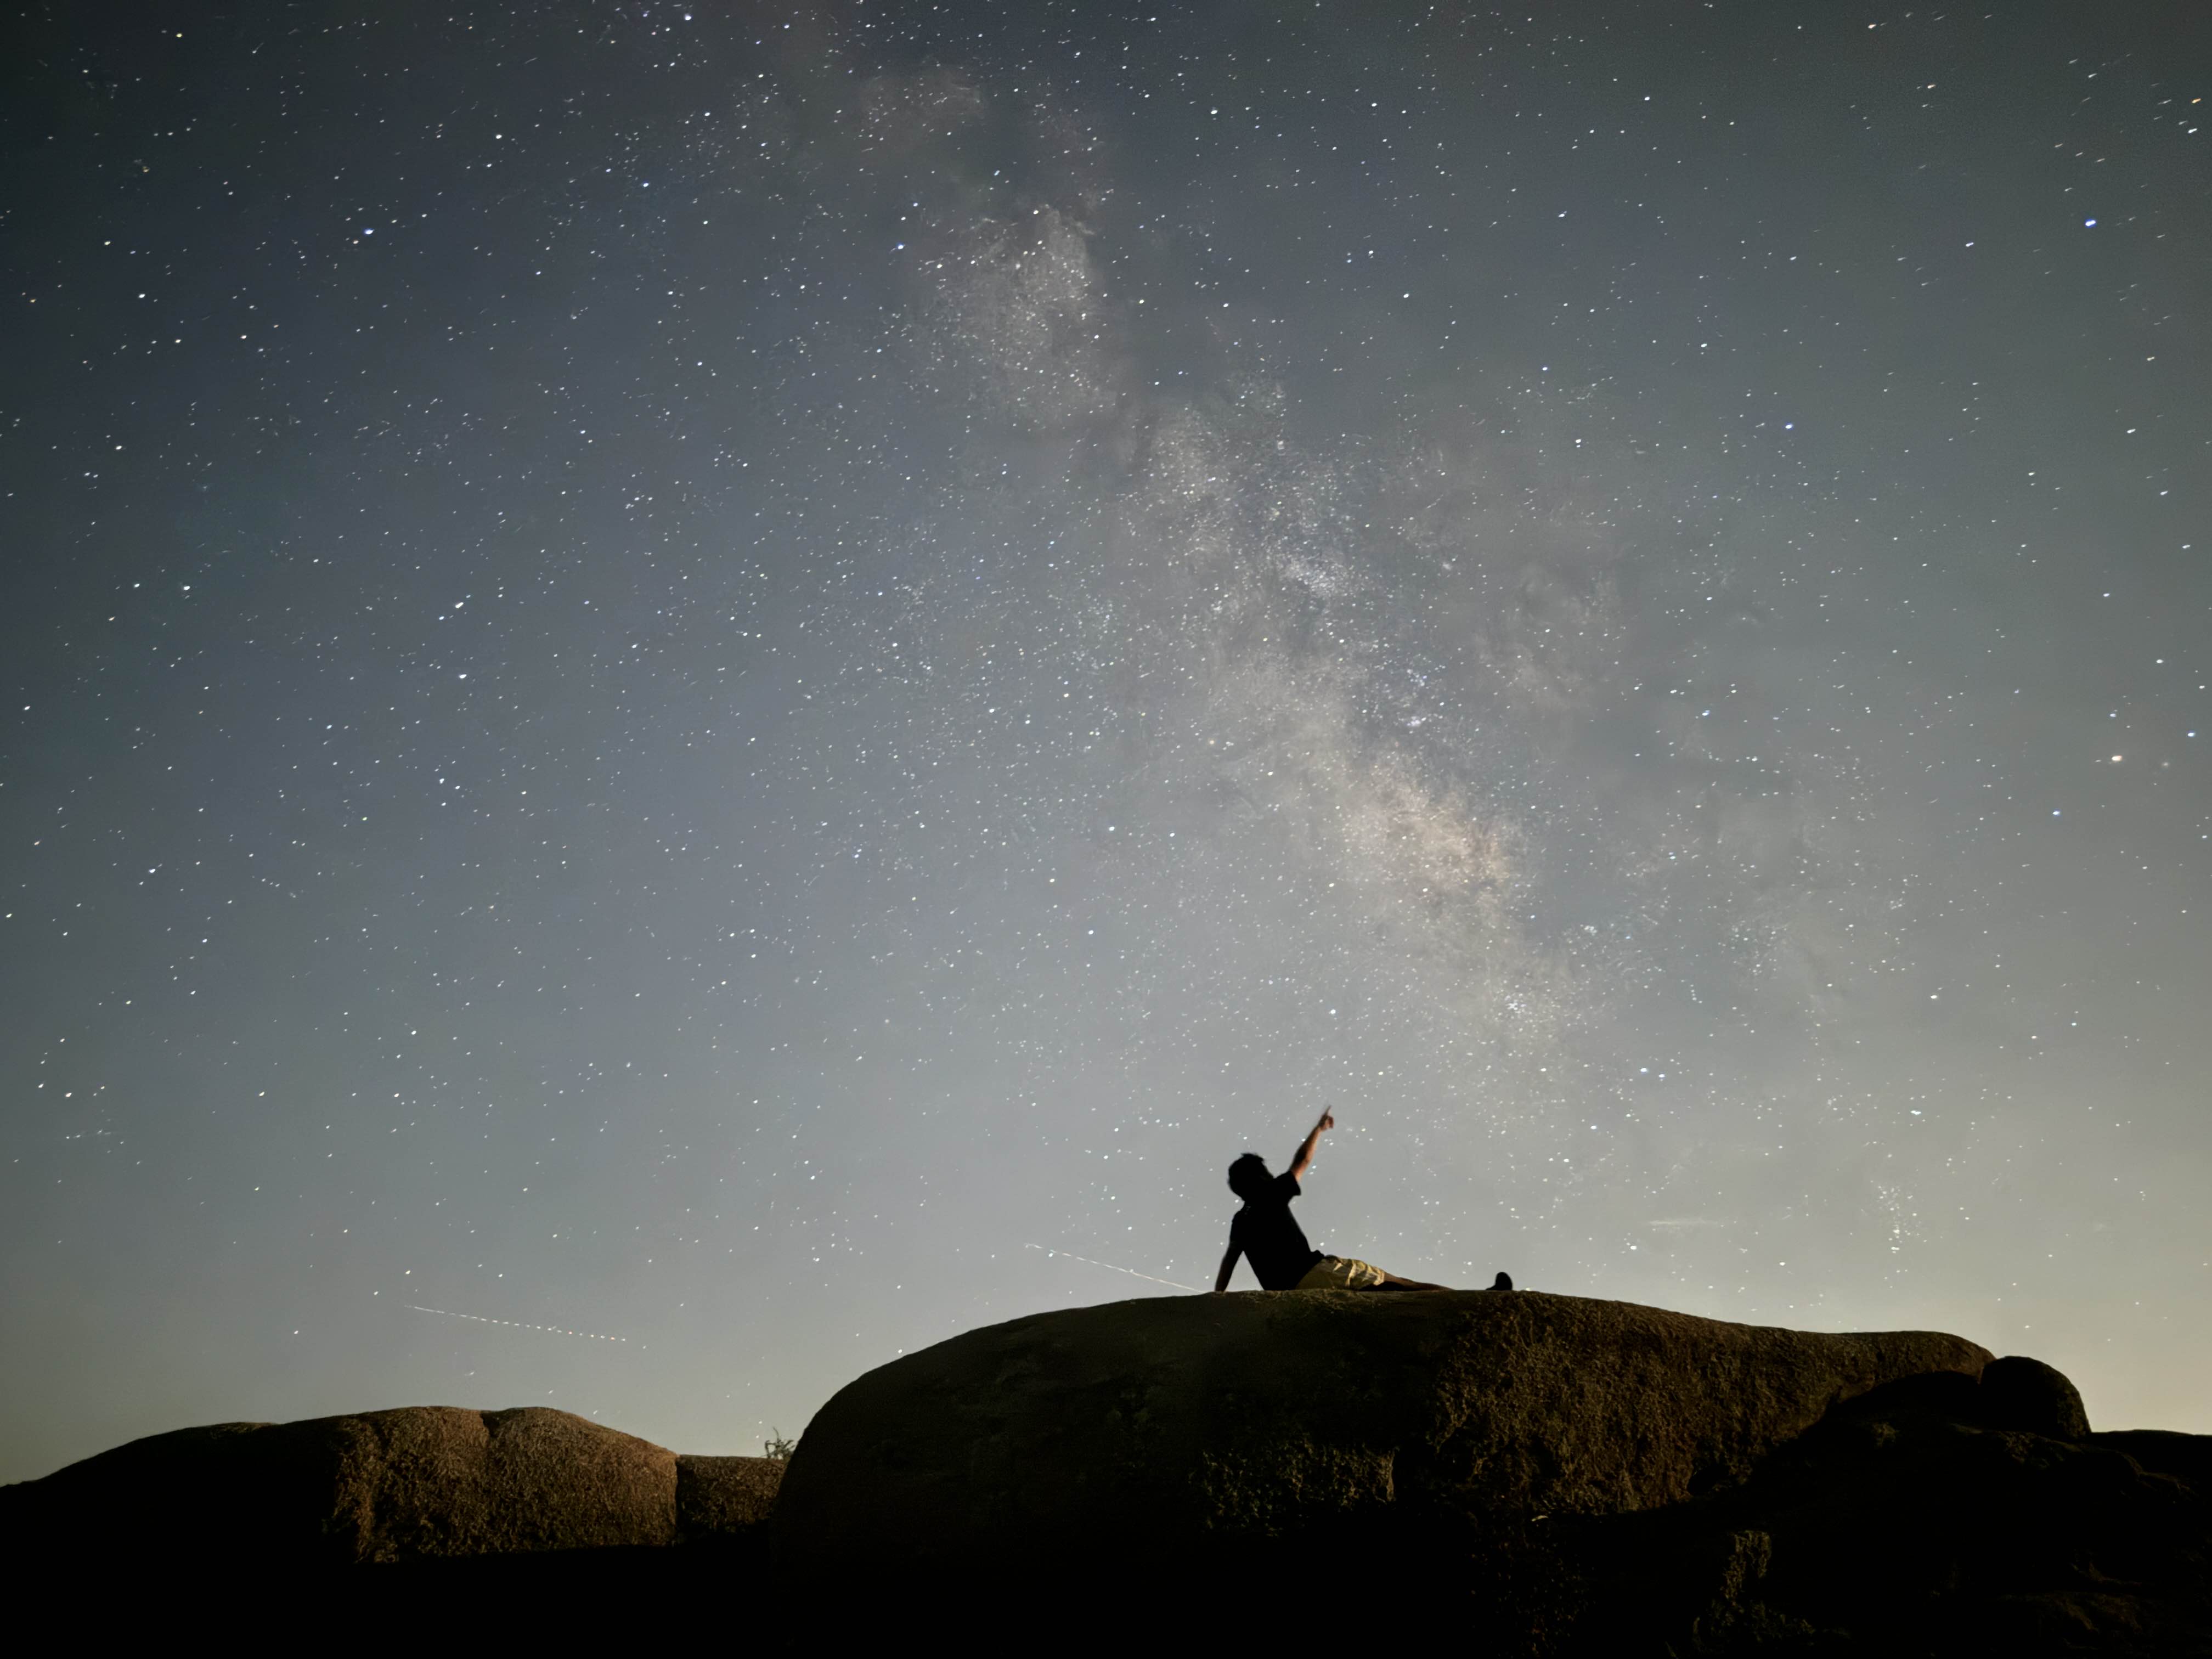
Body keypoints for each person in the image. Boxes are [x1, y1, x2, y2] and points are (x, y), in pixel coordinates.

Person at [1211, 1109, 1512, 1294]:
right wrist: (1318, 1129)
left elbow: (1231, 1258)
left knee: (1394, 1290)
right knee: (1400, 1286)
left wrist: (1218, 1295)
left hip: (1287, 1289)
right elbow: (1301, 1161)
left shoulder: (1241, 1219)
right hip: (1315, 1275)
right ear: (1261, 1177)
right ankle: (1482, 1298)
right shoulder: (1271, 1194)